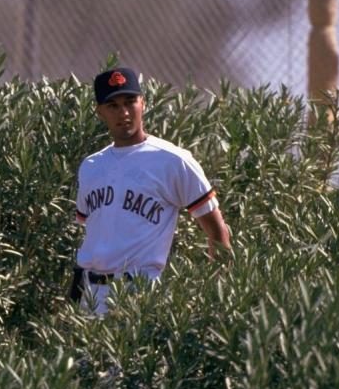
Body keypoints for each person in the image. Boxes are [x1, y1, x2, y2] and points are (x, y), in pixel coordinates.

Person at [70, 66, 231, 315]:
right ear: (100, 112)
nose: (123, 112)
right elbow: (91, 230)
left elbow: (217, 231)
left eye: (130, 101)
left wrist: (218, 300)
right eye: (112, 105)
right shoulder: (91, 166)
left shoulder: (174, 161)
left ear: (143, 103)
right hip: (89, 296)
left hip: (139, 296)